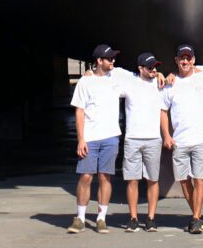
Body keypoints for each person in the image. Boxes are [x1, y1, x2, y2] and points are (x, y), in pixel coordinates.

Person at [68, 43, 122, 234]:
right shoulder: (85, 82)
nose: (113, 61)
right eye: (109, 58)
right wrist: (81, 139)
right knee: (86, 176)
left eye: (114, 58)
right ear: (99, 61)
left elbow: (141, 75)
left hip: (110, 137)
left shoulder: (117, 77)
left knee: (105, 177)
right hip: (90, 138)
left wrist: (158, 74)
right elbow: (79, 112)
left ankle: (101, 218)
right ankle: (80, 218)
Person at [160, 44, 203, 235]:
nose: (185, 61)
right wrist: (167, 135)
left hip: (200, 138)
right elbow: (163, 112)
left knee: (199, 179)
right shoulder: (170, 84)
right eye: (182, 58)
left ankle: (196, 218)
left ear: (194, 60)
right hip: (179, 141)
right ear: (176, 61)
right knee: (183, 181)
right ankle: (197, 215)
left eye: (188, 58)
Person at [117, 52, 164, 232]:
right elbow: (111, 72)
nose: (154, 70)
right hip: (132, 138)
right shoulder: (129, 83)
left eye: (155, 67)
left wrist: (163, 75)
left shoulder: (161, 84)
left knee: (153, 179)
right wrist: (91, 74)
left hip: (153, 138)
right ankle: (133, 218)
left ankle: (151, 218)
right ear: (140, 68)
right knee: (132, 179)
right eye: (150, 67)